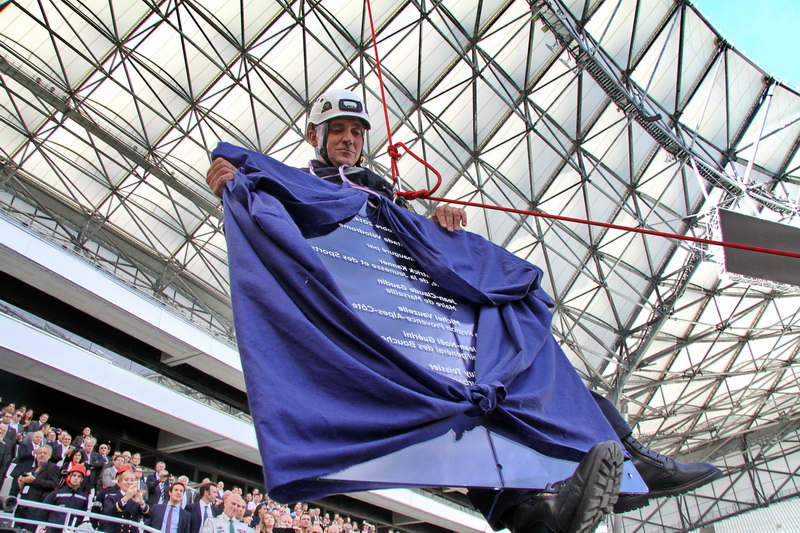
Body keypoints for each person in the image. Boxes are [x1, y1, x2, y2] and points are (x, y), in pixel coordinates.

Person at [206, 88, 721, 533]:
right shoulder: (294, 186)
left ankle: (619, 460)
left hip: (427, 319)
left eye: (356, 132)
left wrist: (437, 223)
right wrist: (233, 181)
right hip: (369, 326)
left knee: (514, 349)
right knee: (452, 413)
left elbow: (414, 251)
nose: (348, 139)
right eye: (336, 130)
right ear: (315, 136)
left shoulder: (387, 196)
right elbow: (269, 218)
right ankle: (532, 514)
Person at [15, 445, 62, 523]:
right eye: (40, 453)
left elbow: (54, 484)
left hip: (35, 507)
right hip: (22, 506)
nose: (42, 455)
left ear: (49, 456)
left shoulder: (52, 467)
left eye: (45, 453)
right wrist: (21, 484)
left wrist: (34, 480)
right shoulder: (32, 469)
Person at [41, 464, 91, 533]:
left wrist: (74, 526)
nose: (76, 478)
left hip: (70, 530)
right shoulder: (57, 493)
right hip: (53, 529)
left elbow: (82, 515)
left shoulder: (84, 497)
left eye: (79, 476)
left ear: (82, 479)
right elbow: (43, 510)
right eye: (74, 475)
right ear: (69, 476)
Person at [102, 465, 150, 533]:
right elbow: (109, 513)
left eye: (132, 480)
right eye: (126, 480)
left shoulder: (136, 499)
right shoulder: (111, 497)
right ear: (119, 483)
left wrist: (142, 502)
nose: (129, 483)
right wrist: (125, 498)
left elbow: (148, 515)